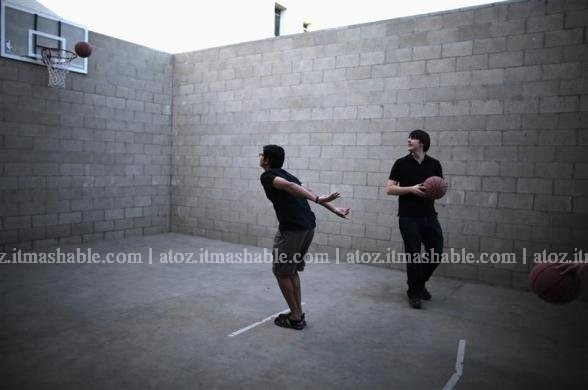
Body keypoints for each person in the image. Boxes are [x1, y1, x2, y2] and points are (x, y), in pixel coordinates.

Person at [260, 145, 350, 330]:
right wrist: (333, 209)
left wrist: (318, 200)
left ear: (267, 160)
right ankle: (297, 313)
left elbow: (293, 188)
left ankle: (295, 317)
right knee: (290, 271)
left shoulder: (269, 176)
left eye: (262, 155)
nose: (260, 157)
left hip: (292, 229)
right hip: (307, 226)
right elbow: (306, 191)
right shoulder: (287, 174)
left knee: (281, 272)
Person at [385, 130, 444, 309]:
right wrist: (411, 189)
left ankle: (419, 283)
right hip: (408, 217)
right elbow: (389, 189)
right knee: (413, 256)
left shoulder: (435, 164)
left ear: (423, 142)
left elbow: (439, 187)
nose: (409, 140)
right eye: (409, 138)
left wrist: (437, 190)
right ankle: (414, 293)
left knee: (437, 252)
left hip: (429, 216)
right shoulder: (401, 163)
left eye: (413, 138)